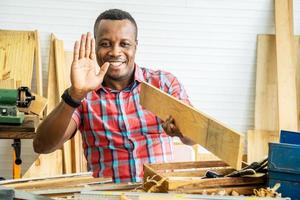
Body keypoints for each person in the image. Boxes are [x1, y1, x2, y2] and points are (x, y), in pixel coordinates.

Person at [33, 9, 195, 183]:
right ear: (95, 46)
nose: (115, 52)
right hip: (107, 195)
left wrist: (181, 131)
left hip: (158, 193)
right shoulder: (83, 95)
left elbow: (193, 138)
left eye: (124, 44)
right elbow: (42, 145)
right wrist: (75, 94)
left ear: (135, 46)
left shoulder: (164, 84)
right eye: (105, 44)